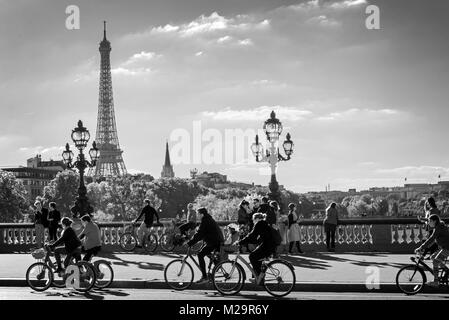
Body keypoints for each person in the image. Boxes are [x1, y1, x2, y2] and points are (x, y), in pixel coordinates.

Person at [187, 208, 224, 284]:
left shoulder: (205, 220)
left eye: (198, 214)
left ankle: (205, 277)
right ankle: (216, 262)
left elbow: (199, 234)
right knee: (203, 252)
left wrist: (190, 243)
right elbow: (203, 234)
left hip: (214, 242)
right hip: (215, 241)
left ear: (202, 214)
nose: (197, 216)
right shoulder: (208, 219)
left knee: (200, 255)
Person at [239, 213, 277, 284]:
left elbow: (252, 235)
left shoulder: (259, 224)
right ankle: (258, 277)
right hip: (269, 245)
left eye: (253, 220)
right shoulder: (264, 223)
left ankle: (260, 277)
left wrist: (241, 242)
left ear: (257, 219)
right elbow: (255, 238)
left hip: (267, 246)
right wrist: (246, 241)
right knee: (256, 257)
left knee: (252, 256)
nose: (253, 221)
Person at [415, 214, 449, 287]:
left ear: (434, 221)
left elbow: (431, 239)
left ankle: (436, 281)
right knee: (433, 257)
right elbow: (432, 240)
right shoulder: (438, 225)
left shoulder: (438, 228)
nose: (428, 223)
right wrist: (424, 219)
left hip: (447, 248)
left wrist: (421, 247)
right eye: (428, 221)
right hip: (445, 247)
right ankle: (447, 271)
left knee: (435, 261)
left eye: (430, 221)